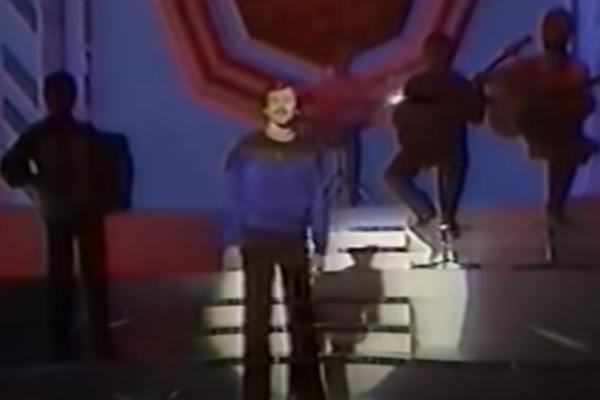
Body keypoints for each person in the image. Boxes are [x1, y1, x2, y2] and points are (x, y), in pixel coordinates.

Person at [223, 84, 327, 400]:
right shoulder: (246, 148)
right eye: (276, 101)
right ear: (265, 108)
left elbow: (319, 198)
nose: (282, 107)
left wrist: (320, 242)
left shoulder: (309, 150)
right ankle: (255, 393)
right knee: (257, 319)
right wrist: (231, 239)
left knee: (301, 317)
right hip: (256, 237)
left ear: (297, 108)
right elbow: (233, 195)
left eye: (288, 101)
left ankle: (307, 391)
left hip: (293, 238)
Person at [0, 71, 112, 361]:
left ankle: (78, 344)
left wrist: (36, 183)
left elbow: (10, 167)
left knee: (80, 278)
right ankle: (77, 343)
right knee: (75, 278)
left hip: (73, 211)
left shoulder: (54, 133)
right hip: (71, 211)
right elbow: (10, 167)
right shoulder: (52, 134)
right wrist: (36, 183)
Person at [485, 8, 597, 223]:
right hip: (544, 130)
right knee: (562, 161)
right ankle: (554, 208)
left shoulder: (574, 68)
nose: (553, 34)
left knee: (563, 165)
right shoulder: (529, 66)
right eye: (551, 29)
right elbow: (493, 82)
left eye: (558, 30)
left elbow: (585, 103)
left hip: (563, 131)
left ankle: (554, 208)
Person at [384, 33, 484, 237]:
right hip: (435, 147)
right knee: (396, 176)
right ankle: (442, 216)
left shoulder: (424, 83)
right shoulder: (451, 83)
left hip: (434, 147)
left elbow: (474, 115)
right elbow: (476, 116)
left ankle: (433, 213)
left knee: (396, 176)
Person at [313, 246, 383, 400]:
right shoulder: (369, 277)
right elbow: (372, 307)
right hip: (340, 321)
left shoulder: (369, 277)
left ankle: (337, 394)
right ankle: (337, 394)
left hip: (341, 322)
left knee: (336, 362)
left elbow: (372, 307)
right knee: (336, 362)